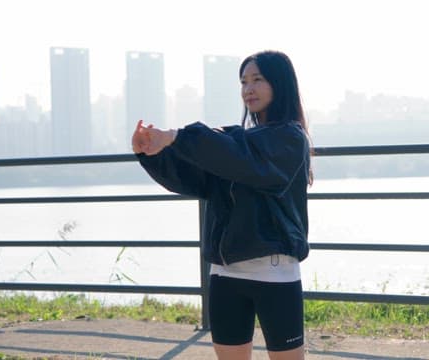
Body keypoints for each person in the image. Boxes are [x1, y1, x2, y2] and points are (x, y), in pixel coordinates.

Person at [131, 50, 312, 360]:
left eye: (257, 80)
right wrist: (152, 153)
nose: (248, 89)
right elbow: (195, 180)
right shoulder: (238, 140)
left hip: (275, 273)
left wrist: (177, 136)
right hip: (225, 274)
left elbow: (243, 161)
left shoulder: (290, 139)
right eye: (243, 82)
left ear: (280, 84)